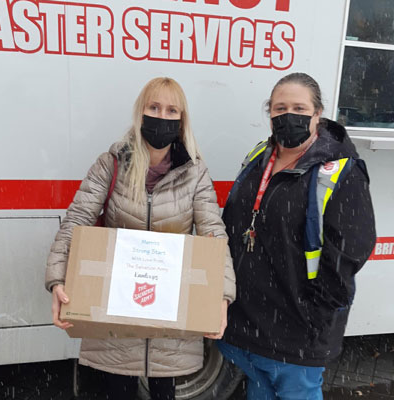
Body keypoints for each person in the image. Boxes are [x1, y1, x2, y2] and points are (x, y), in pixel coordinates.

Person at [45, 77, 236, 400]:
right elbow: (77, 219)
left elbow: (214, 234)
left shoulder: (195, 172)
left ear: (181, 119)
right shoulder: (112, 164)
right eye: (154, 107)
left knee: (164, 391)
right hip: (117, 306)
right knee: (118, 390)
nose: (162, 116)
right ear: (141, 112)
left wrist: (222, 296)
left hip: (171, 309)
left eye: (171, 109)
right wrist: (58, 278)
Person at [218, 72, 376, 400]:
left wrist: (312, 316)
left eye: (299, 108)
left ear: (318, 114)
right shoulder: (260, 156)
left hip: (297, 332)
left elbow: (350, 250)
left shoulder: (341, 171)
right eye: (279, 108)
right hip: (249, 323)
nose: (289, 115)